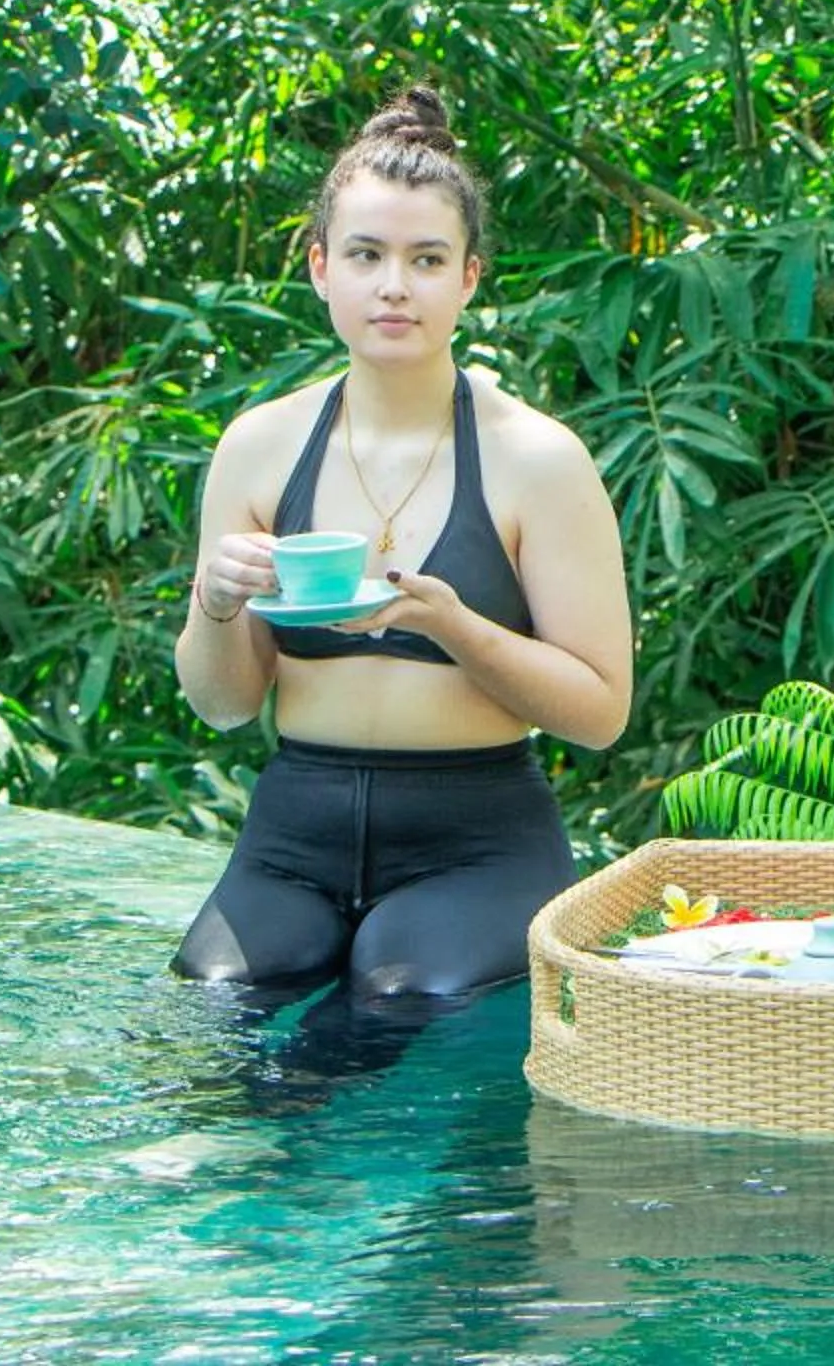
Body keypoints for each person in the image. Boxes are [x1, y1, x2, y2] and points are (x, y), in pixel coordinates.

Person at [171, 84, 633, 1012]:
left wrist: (454, 625)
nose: (393, 286)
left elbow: (599, 714)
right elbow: (225, 706)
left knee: (397, 997)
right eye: (366, 255)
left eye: (426, 260)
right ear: (320, 268)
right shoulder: (260, 446)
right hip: (293, 833)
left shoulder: (535, 459)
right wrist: (217, 605)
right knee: (214, 1001)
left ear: (468, 278)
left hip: (477, 838)